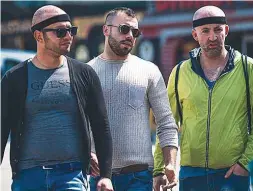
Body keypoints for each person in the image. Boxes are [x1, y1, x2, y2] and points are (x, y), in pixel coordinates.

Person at [1, 5, 113, 191]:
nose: (69, 36)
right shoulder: (14, 78)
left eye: (71, 30)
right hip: (28, 176)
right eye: (60, 32)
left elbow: (101, 126)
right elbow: (1, 129)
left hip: (71, 176)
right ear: (38, 36)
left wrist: (106, 176)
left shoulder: (84, 73)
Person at [153, 5, 253, 191]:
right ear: (195, 35)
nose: (212, 37)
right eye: (205, 31)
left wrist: (245, 164)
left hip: (232, 175)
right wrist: (159, 169)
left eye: (217, 29)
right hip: (192, 175)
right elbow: (167, 124)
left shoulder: (248, 69)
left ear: (226, 30)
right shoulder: (180, 73)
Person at [87, 7, 179, 191]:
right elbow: (76, 124)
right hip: (99, 178)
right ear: (106, 30)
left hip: (139, 177)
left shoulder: (149, 70)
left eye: (135, 32)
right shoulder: (87, 72)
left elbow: (166, 123)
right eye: (124, 29)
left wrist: (168, 164)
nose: (130, 35)